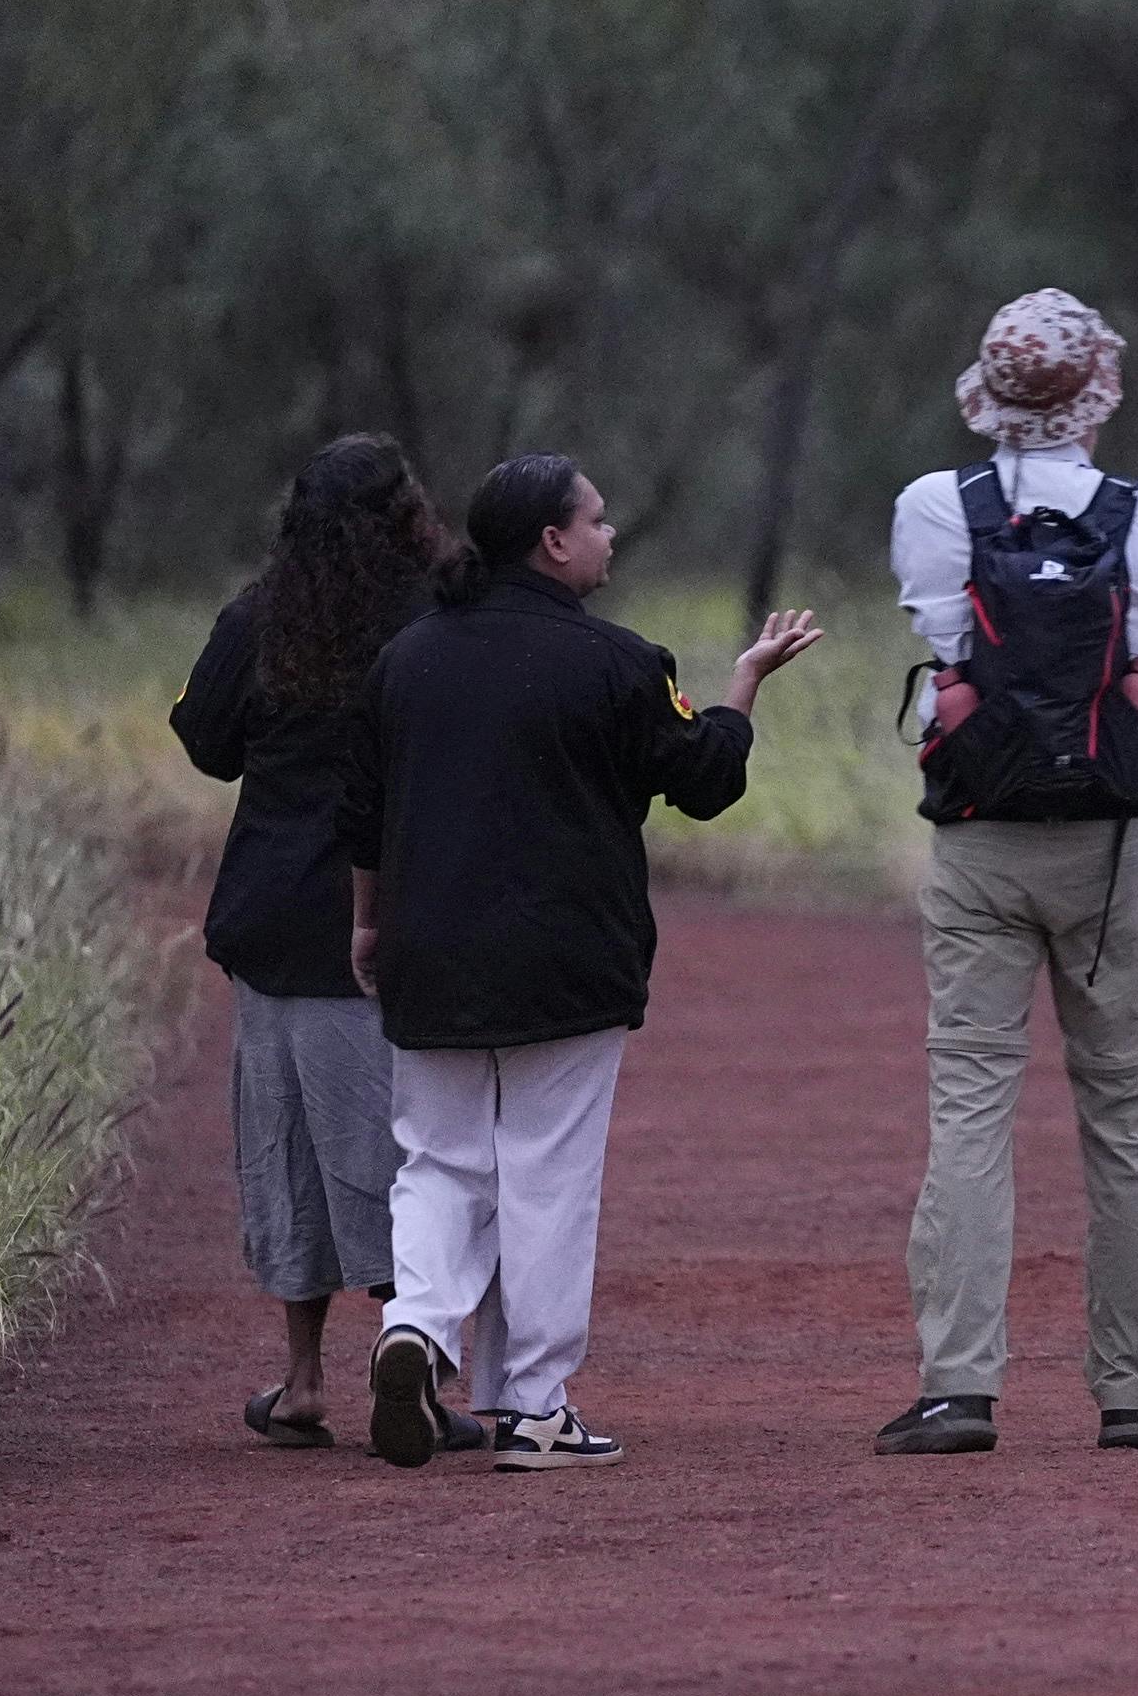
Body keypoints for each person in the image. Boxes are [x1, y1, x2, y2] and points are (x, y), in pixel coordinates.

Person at [341, 454, 819, 1470]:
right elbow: (704, 783)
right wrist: (740, 688)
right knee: (545, 1176)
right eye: (598, 520)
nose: (611, 536)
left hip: (428, 952)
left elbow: (361, 811)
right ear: (553, 541)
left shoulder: (407, 660)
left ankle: (415, 1331)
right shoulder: (616, 664)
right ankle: (533, 1408)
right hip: (566, 961)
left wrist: (368, 924)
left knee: (436, 1161)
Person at [878, 291, 1138, 1458]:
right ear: (1095, 393)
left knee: (970, 1104)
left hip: (977, 835)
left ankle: (958, 1385)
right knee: (1122, 1118)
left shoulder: (933, 506)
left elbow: (939, 638)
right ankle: (1130, 1392)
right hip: (1113, 844)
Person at [171, 434, 497, 1455]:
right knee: (411, 1154)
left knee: (289, 1155)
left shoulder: (259, 621)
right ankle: (421, 1369)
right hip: (396, 917)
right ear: (408, 512)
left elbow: (206, 741)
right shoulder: (439, 619)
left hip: (275, 922)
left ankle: (302, 1377)